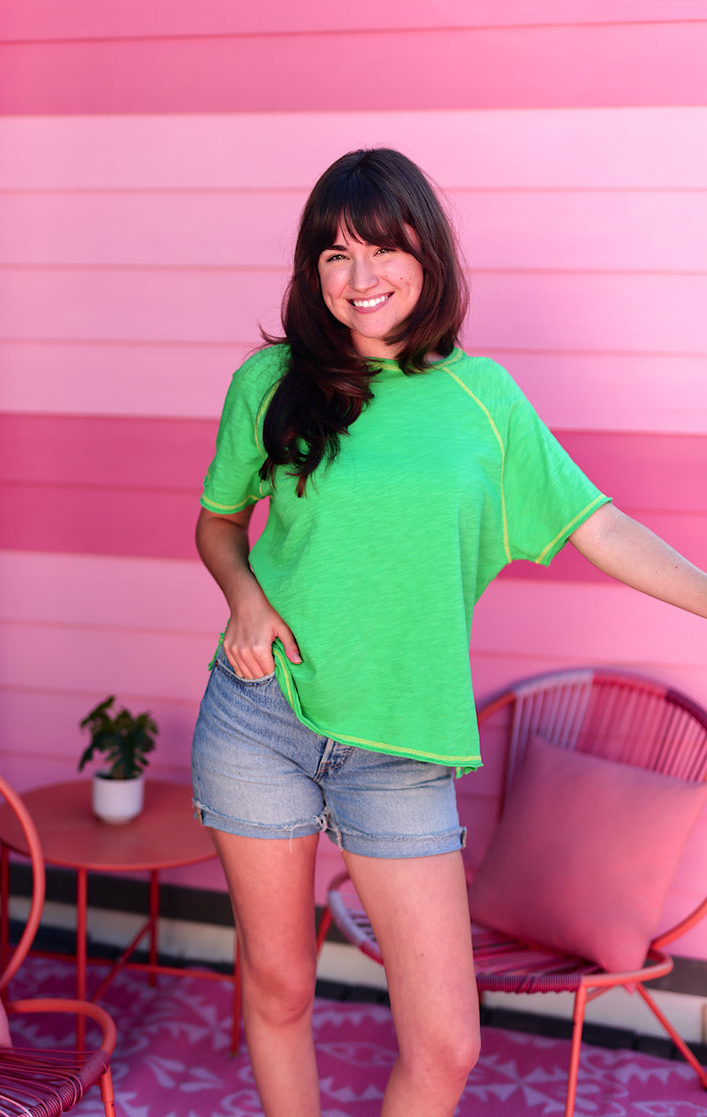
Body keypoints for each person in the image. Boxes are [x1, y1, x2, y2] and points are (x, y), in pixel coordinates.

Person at [191, 148, 707, 1117]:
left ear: (429, 252)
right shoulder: (271, 379)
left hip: (402, 741)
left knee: (448, 1042)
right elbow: (219, 523)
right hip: (264, 716)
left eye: (383, 248)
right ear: (312, 271)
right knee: (279, 984)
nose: (360, 277)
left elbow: (597, 524)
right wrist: (245, 601)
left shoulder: (485, 401)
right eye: (335, 255)